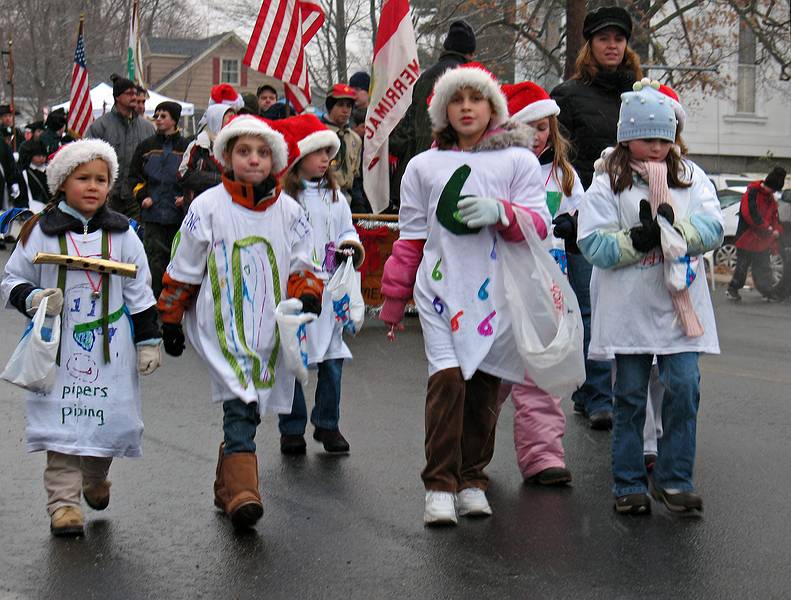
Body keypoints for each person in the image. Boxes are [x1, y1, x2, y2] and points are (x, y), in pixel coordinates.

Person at [380, 63, 550, 525]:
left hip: (496, 295)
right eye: (457, 100)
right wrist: (394, 299)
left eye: (476, 99)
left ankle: (473, 478)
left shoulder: (517, 161)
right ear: (443, 110)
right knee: (448, 382)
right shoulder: (423, 166)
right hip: (439, 292)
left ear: (492, 106)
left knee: (483, 390)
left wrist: (502, 211)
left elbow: (539, 227)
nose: (467, 108)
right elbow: (411, 236)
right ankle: (439, 484)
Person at [157, 115, 323, 530]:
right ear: (227, 157)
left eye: (263, 152)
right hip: (223, 327)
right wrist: (171, 317)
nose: (253, 159)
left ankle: (225, 484)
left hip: (268, 329)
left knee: (252, 402)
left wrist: (307, 292)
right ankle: (245, 493)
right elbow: (186, 265)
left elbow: (304, 259)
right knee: (242, 400)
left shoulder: (289, 210)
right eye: (244, 151)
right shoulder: (207, 206)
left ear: (275, 160)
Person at [0, 139, 161, 537]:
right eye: (82, 178)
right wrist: (34, 297)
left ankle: (95, 475)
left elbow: (140, 290)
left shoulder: (123, 234)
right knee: (61, 424)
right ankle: (64, 505)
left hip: (111, 349)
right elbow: (11, 280)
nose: (93, 186)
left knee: (106, 421)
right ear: (61, 183)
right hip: (58, 348)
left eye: (101, 179)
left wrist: (147, 341)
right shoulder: (40, 232)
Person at [576, 79, 723, 515]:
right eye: (647, 139)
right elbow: (593, 243)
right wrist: (638, 242)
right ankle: (629, 483)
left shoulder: (691, 177)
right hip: (631, 309)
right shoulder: (607, 183)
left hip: (680, 308)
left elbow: (713, 227)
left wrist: (677, 234)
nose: (657, 148)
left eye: (664, 138)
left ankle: (675, 479)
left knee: (684, 386)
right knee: (631, 397)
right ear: (626, 138)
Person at [549, 6, 643, 430]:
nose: (611, 45)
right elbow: (556, 160)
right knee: (591, 308)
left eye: (618, 39)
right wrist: (568, 211)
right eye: (603, 38)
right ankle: (600, 393)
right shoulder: (567, 96)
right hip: (585, 215)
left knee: (626, 304)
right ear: (590, 45)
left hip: (634, 214)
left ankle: (591, 391)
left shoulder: (642, 96)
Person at [497, 80, 585, 485]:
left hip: (547, 290)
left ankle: (543, 457)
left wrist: (573, 225)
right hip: (501, 287)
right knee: (492, 376)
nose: (536, 137)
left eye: (544, 128)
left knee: (541, 375)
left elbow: (585, 219)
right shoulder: (498, 170)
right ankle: (468, 451)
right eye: (527, 127)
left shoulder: (563, 176)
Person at [272, 114, 365, 455]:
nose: (326, 159)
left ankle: (328, 424)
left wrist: (351, 247)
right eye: (319, 152)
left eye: (329, 153)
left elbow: (346, 231)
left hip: (330, 290)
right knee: (293, 359)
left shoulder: (336, 198)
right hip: (297, 288)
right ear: (299, 157)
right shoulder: (283, 199)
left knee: (332, 359)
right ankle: (292, 427)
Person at [389, 19, 476, 210]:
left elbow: (407, 130)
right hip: (452, 171)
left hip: (414, 170)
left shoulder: (424, 78)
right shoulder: (471, 78)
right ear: (470, 53)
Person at [128, 101, 189, 299]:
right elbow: (134, 176)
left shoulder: (187, 147)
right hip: (153, 216)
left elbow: (193, 177)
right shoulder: (146, 146)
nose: (159, 119)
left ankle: (172, 302)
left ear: (174, 120)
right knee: (153, 261)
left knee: (176, 261)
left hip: (177, 217)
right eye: (157, 115)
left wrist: (186, 198)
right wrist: (143, 196)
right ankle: (152, 301)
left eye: (164, 116)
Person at [85, 74, 156, 220]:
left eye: (135, 93)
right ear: (117, 97)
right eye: (129, 93)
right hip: (108, 197)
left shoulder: (148, 128)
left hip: (136, 199)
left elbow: (154, 164)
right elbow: (88, 160)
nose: (134, 97)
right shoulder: (100, 127)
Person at [726, 166, 786, 302]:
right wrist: (769, 229)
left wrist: (776, 229)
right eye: (773, 189)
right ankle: (733, 289)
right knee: (742, 267)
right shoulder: (752, 193)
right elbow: (750, 215)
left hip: (762, 240)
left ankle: (767, 291)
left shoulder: (770, 198)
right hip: (746, 238)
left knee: (764, 267)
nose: (773, 192)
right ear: (769, 185)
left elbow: (774, 217)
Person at [178, 104, 236, 207]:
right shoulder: (200, 145)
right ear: (216, 119)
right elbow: (183, 174)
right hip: (200, 205)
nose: (233, 120)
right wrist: (218, 180)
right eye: (229, 116)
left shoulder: (236, 147)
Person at [321, 83, 362, 205]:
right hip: (322, 195)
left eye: (349, 106)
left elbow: (356, 177)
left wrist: (358, 203)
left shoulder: (355, 139)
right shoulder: (319, 134)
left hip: (347, 198)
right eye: (340, 105)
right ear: (330, 106)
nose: (345, 110)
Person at [17, 140, 50, 212]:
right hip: (33, 210)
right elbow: (22, 195)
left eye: (44, 156)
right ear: (31, 156)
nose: (42, 158)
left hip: (50, 209)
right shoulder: (24, 174)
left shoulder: (49, 171)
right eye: (38, 156)